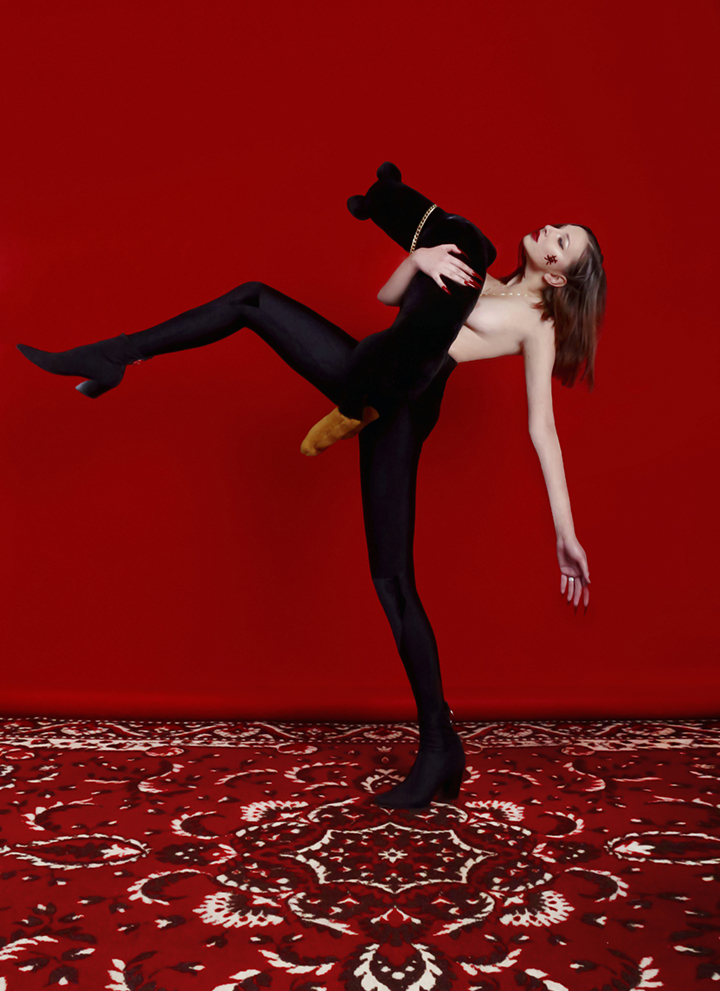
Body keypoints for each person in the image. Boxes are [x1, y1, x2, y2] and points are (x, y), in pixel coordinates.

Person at [16, 164, 606, 810]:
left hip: (403, 405)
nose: (550, 232)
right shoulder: (477, 267)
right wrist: (419, 257)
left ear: (559, 277)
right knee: (251, 300)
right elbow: (388, 299)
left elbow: (542, 429)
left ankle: (440, 745)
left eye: (563, 242)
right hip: (375, 371)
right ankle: (118, 354)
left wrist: (565, 532)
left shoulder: (537, 323)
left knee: (392, 580)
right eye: (558, 226)